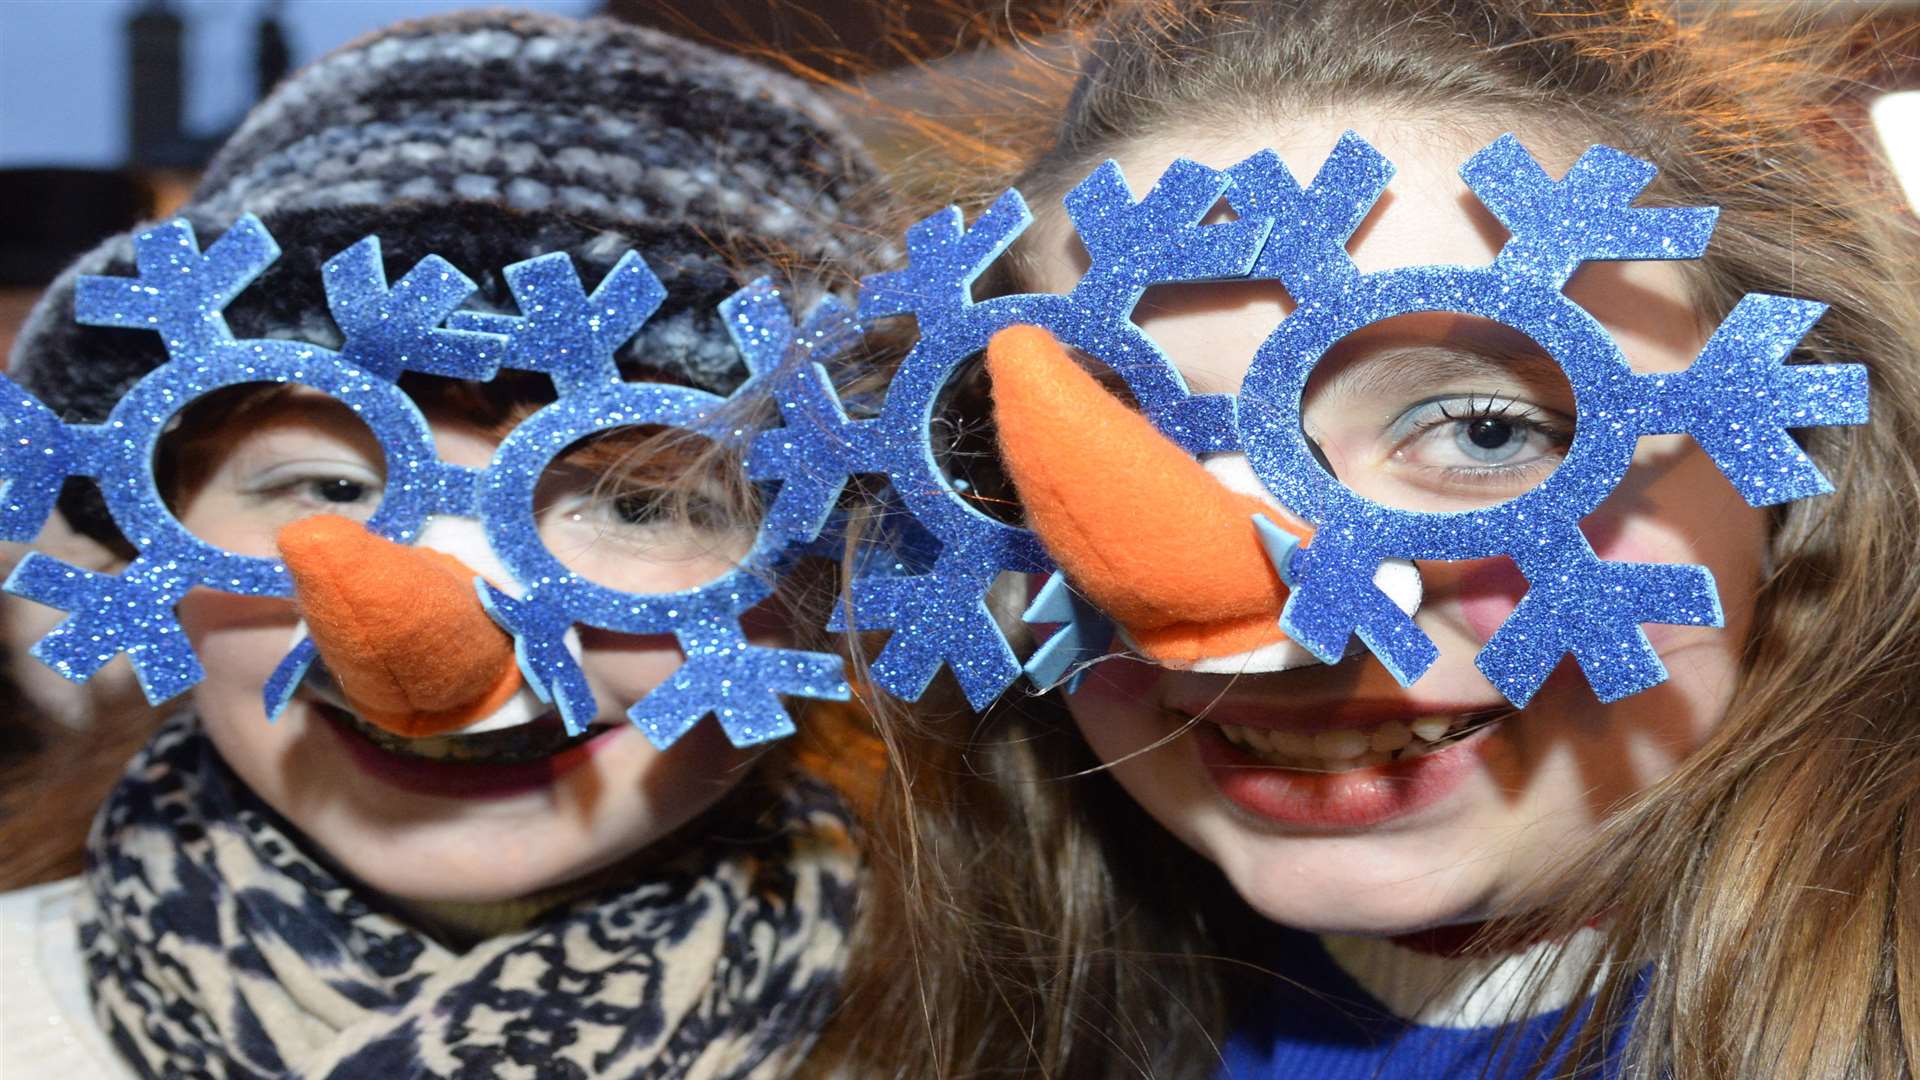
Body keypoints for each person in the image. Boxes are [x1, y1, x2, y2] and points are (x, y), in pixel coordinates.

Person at [808, 2, 1920, 1077]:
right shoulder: (984, 1000)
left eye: (1483, 432)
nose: (1274, 628)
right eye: (1106, 465)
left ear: (1795, 476)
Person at [0, 11, 885, 1078]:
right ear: (164, 536)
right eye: (328, 486)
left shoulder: (1008, 1035)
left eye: (637, 505)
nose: (433, 635)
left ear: (829, 575)